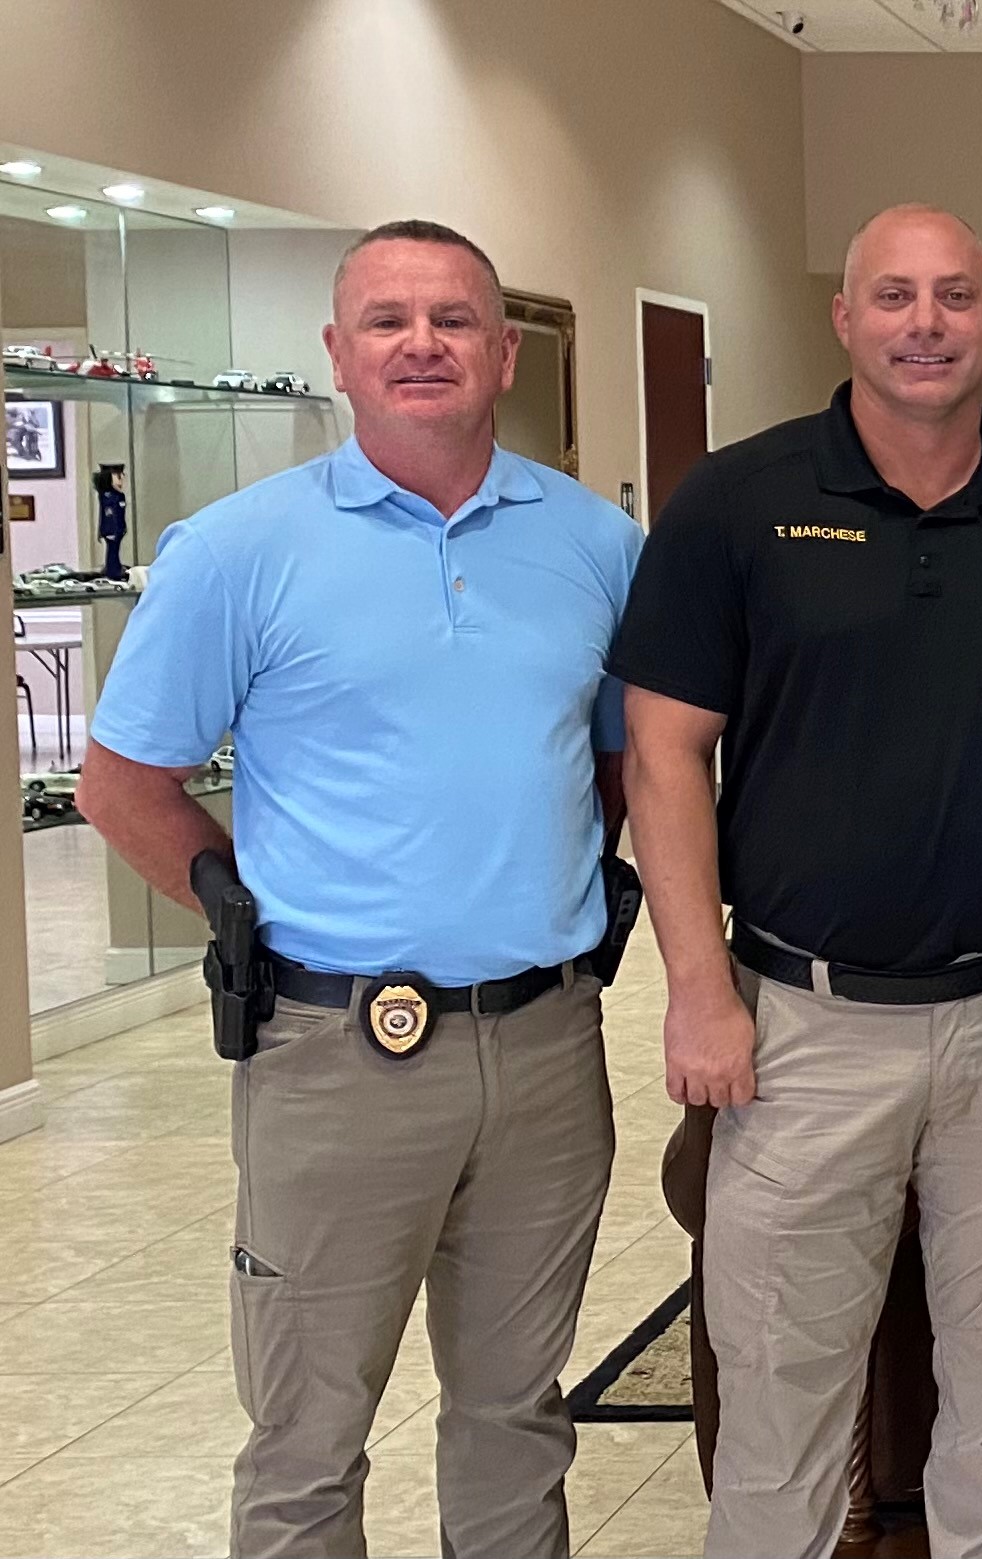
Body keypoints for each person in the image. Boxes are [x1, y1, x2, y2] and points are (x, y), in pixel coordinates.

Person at [76, 219, 642, 1559]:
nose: (421, 345)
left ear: (506, 352)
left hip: (549, 1045)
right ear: (338, 353)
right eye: (387, 321)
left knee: (516, 1411)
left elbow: (620, 763)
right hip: (337, 1052)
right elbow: (119, 780)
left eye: (452, 319)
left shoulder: (598, 546)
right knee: (306, 1437)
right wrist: (232, 908)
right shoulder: (237, 548)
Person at [609, 203, 982, 1559]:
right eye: (894, 295)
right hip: (800, 1030)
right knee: (778, 1404)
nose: (926, 323)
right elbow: (662, 755)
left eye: (956, 296)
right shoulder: (735, 499)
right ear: (845, 317)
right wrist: (698, 991)